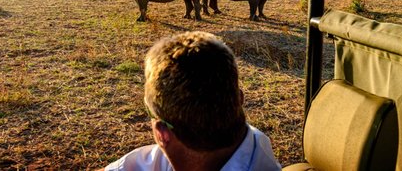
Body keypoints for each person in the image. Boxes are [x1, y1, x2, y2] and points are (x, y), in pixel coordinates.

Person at [101, 31, 281, 171]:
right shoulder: (251, 142)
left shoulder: (179, 148)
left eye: (151, 113)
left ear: (162, 134)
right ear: (240, 99)